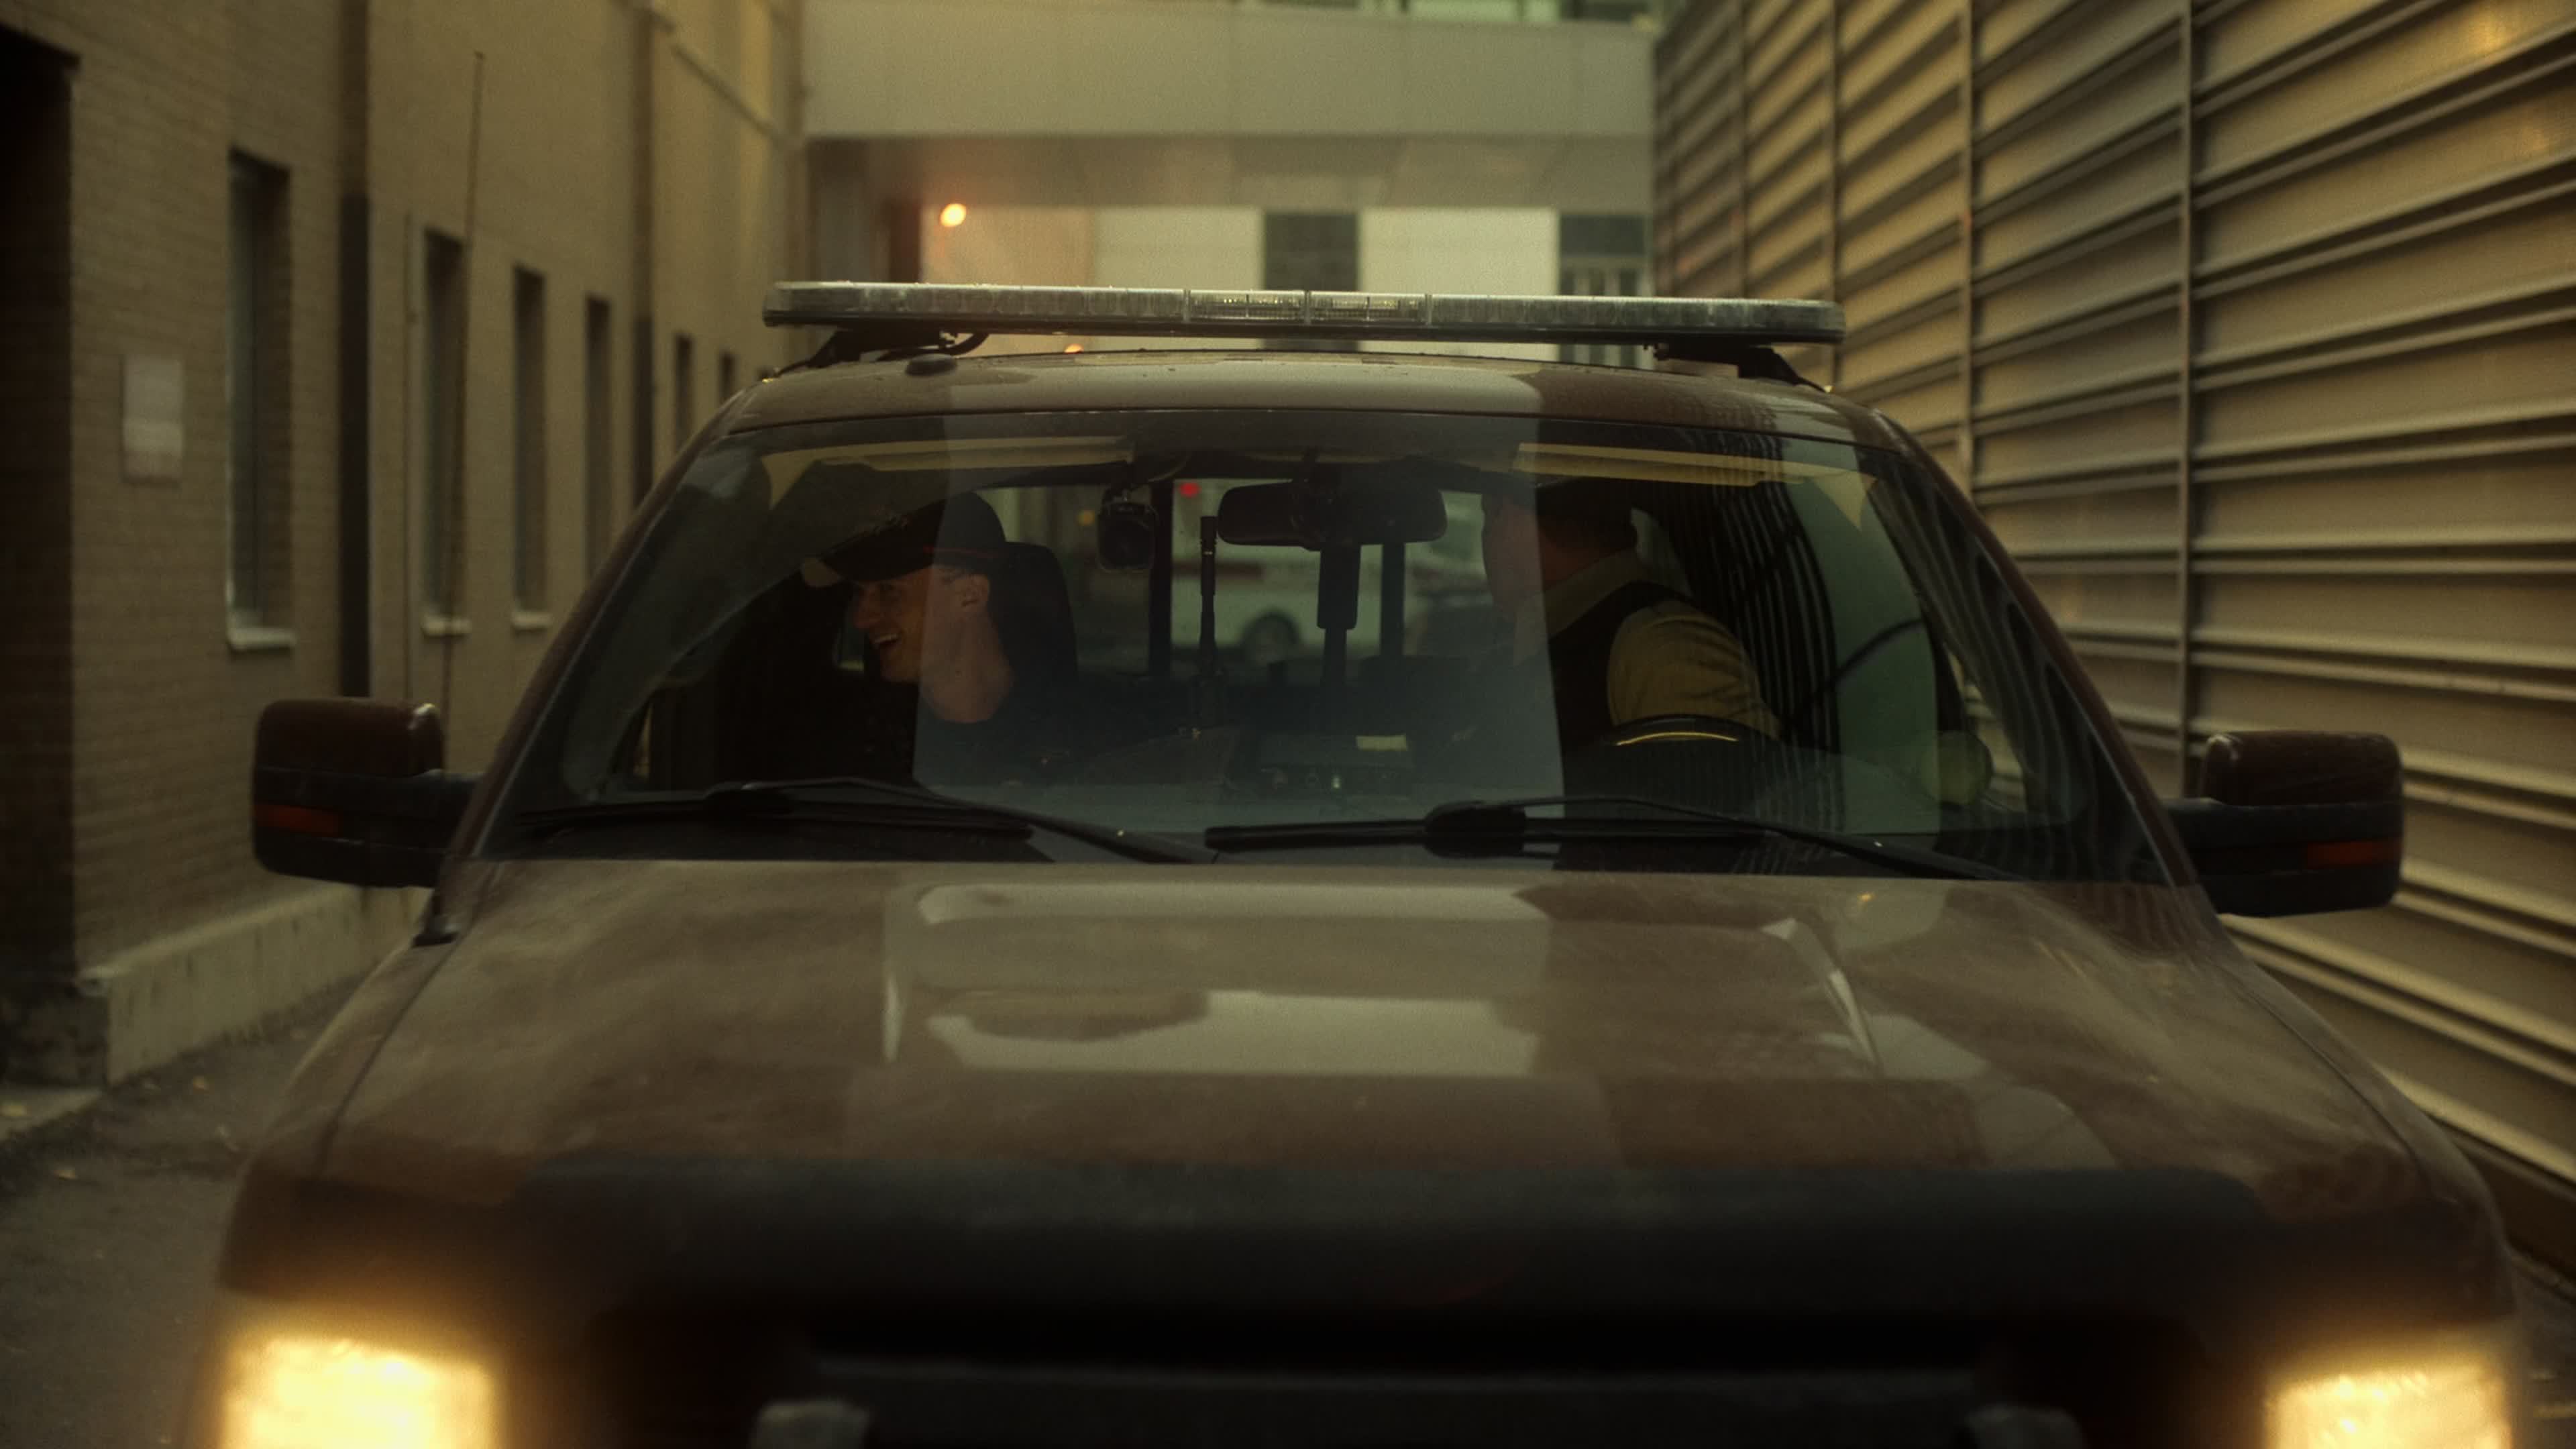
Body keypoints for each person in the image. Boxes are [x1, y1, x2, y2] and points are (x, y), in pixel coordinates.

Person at [1479, 483, 1779, 749]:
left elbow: (1728, 790)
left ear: (1508, 518)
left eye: (1487, 519)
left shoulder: (1662, 650)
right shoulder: (1533, 639)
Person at [818, 492, 1083, 785]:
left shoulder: (1088, 745)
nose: (860, 619)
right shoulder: (848, 748)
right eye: (858, 592)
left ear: (971, 596)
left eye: (889, 591)